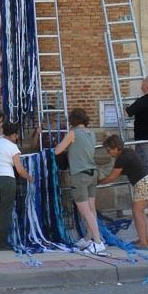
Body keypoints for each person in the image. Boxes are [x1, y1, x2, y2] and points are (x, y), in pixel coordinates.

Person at [54, 108, 105, 254]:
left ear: (73, 120)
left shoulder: (73, 133)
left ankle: (98, 242)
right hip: (92, 173)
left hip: (80, 175)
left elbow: (57, 150)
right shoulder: (91, 133)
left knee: (85, 211)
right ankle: (89, 238)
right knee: (91, 209)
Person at [0, 122, 34, 250]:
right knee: (6, 212)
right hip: (7, 179)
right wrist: (30, 178)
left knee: (0, 210)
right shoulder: (13, 147)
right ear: (13, 135)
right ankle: (1, 243)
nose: (17, 137)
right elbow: (19, 169)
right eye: (17, 135)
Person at [98, 134, 148, 248]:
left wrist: (99, 182)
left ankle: (143, 242)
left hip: (142, 183)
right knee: (140, 212)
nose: (108, 153)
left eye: (108, 150)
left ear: (115, 148)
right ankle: (144, 239)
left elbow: (112, 177)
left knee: (137, 212)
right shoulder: (128, 152)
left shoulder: (121, 158)